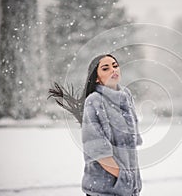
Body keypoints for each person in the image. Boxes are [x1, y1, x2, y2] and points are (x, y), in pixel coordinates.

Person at [48, 54, 143, 196]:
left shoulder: (126, 96)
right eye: (106, 68)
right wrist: (125, 179)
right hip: (104, 190)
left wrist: (132, 183)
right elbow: (98, 152)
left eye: (115, 66)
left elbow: (131, 145)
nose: (113, 70)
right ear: (97, 78)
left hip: (128, 190)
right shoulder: (95, 101)